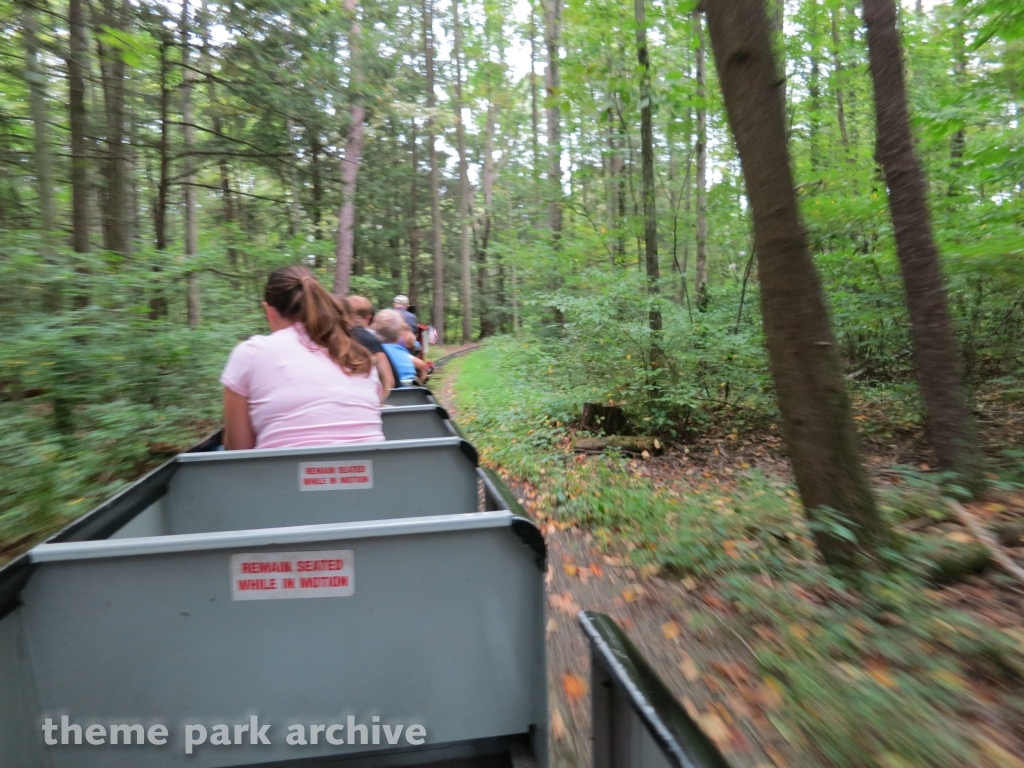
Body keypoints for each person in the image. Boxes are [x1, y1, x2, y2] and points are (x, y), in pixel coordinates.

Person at [221, 266, 385, 450]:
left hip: (280, 476)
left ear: (269, 310)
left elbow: (238, 449)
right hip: (370, 475)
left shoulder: (251, 353)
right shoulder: (357, 354)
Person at [344, 295, 396, 400]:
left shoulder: (352, 337)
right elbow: (388, 381)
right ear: (368, 318)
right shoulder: (368, 339)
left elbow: (388, 382)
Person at [373, 309, 426, 387]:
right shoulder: (404, 355)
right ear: (399, 334)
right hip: (409, 394)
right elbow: (422, 365)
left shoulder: (374, 354)